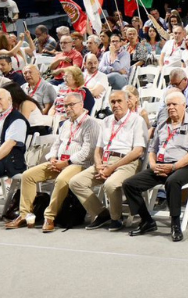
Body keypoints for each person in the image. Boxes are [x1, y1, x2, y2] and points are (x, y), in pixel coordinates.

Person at [6, 92, 98, 232]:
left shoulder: (91, 123)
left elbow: (88, 152)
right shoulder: (66, 124)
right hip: (59, 162)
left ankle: (50, 217)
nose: (68, 108)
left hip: (79, 164)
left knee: (61, 180)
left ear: (81, 105)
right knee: (28, 175)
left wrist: (65, 163)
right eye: (65, 106)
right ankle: (24, 215)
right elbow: (56, 144)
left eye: (71, 105)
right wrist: (52, 158)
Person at [122, 91, 188, 242]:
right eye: (168, 105)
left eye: (174, 104)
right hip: (160, 165)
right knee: (129, 184)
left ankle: (175, 224)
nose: (171, 107)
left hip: (183, 166)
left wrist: (173, 167)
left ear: (184, 106)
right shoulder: (162, 124)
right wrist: (153, 165)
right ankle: (147, 220)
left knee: (172, 181)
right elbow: (153, 149)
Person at [69, 91, 148, 231]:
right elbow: (98, 148)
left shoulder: (137, 120)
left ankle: (116, 218)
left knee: (110, 184)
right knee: (76, 182)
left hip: (127, 161)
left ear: (127, 103)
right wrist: (99, 165)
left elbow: (138, 151)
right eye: (113, 102)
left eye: (119, 101)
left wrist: (111, 169)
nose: (116, 105)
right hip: (105, 161)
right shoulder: (106, 121)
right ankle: (101, 213)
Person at [0, 90, 28, 182]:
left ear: (10, 100)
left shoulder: (17, 120)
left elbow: (7, 146)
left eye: (0, 99)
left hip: (10, 162)